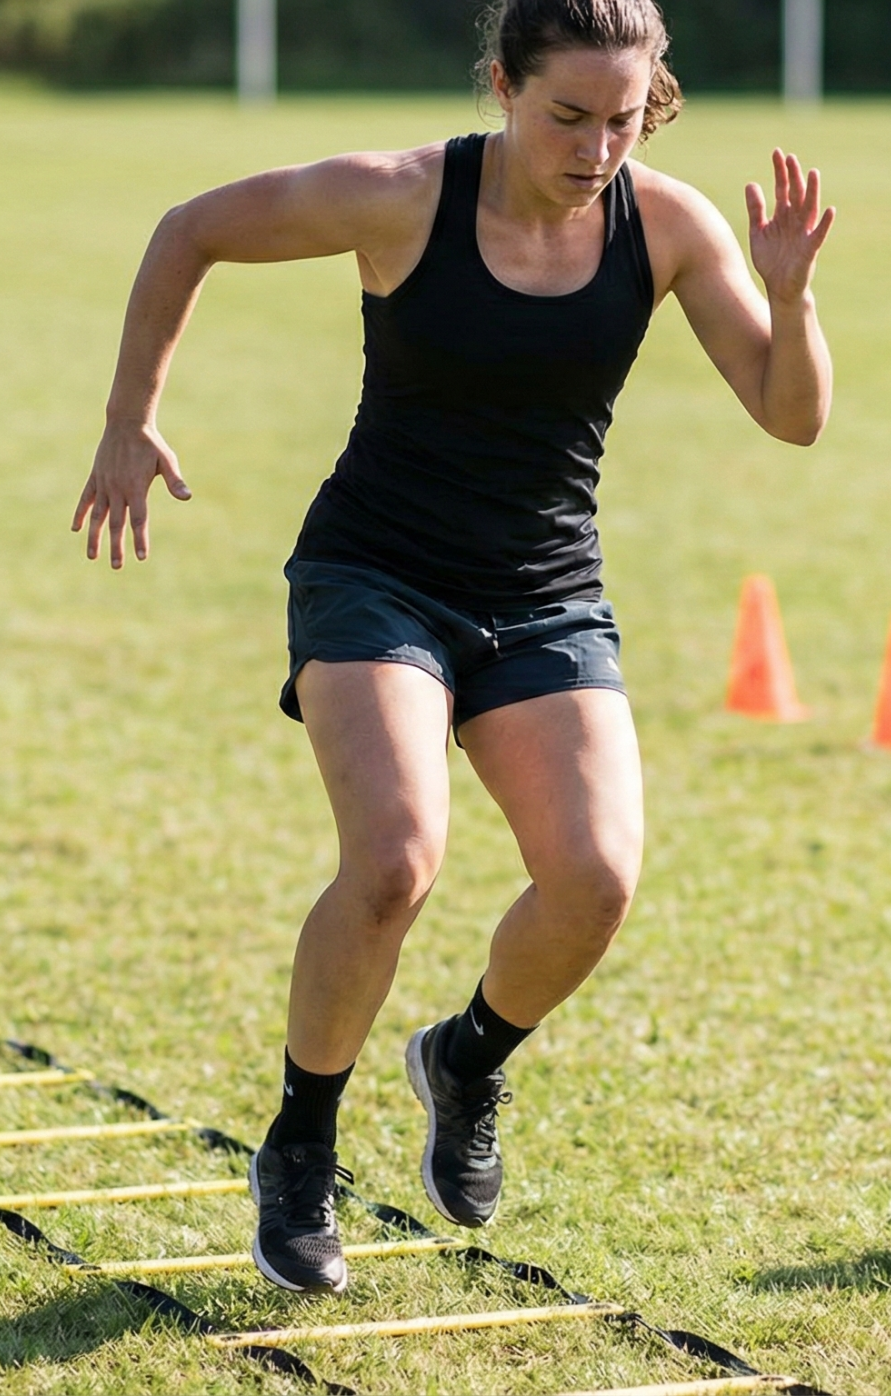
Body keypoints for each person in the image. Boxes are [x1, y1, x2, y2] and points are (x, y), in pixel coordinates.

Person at [71, 0, 833, 1294]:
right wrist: (128, 420)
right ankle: (302, 1146)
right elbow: (190, 230)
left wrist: (791, 294)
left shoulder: (670, 225)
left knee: (594, 881)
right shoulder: (403, 197)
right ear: (502, 86)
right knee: (394, 861)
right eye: (569, 116)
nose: (599, 146)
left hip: (543, 592)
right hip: (376, 575)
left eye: (627, 118)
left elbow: (789, 415)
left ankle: (466, 1059)